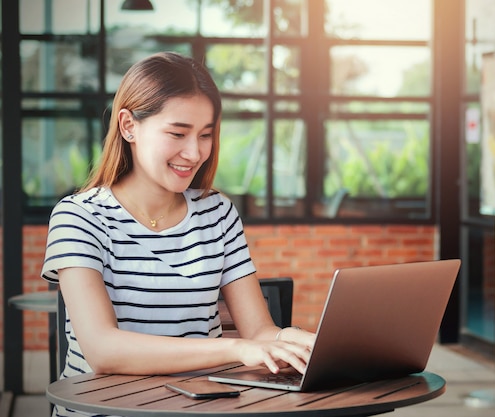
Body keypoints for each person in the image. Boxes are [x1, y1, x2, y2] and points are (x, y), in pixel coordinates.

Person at [41, 51, 315, 416]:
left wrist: (307, 342)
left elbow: (259, 331)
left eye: (206, 134)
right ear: (128, 126)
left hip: (199, 409)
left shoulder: (217, 212)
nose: (195, 152)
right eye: (177, 133)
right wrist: (234, 350)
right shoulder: (79, 217)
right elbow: (103, 350)